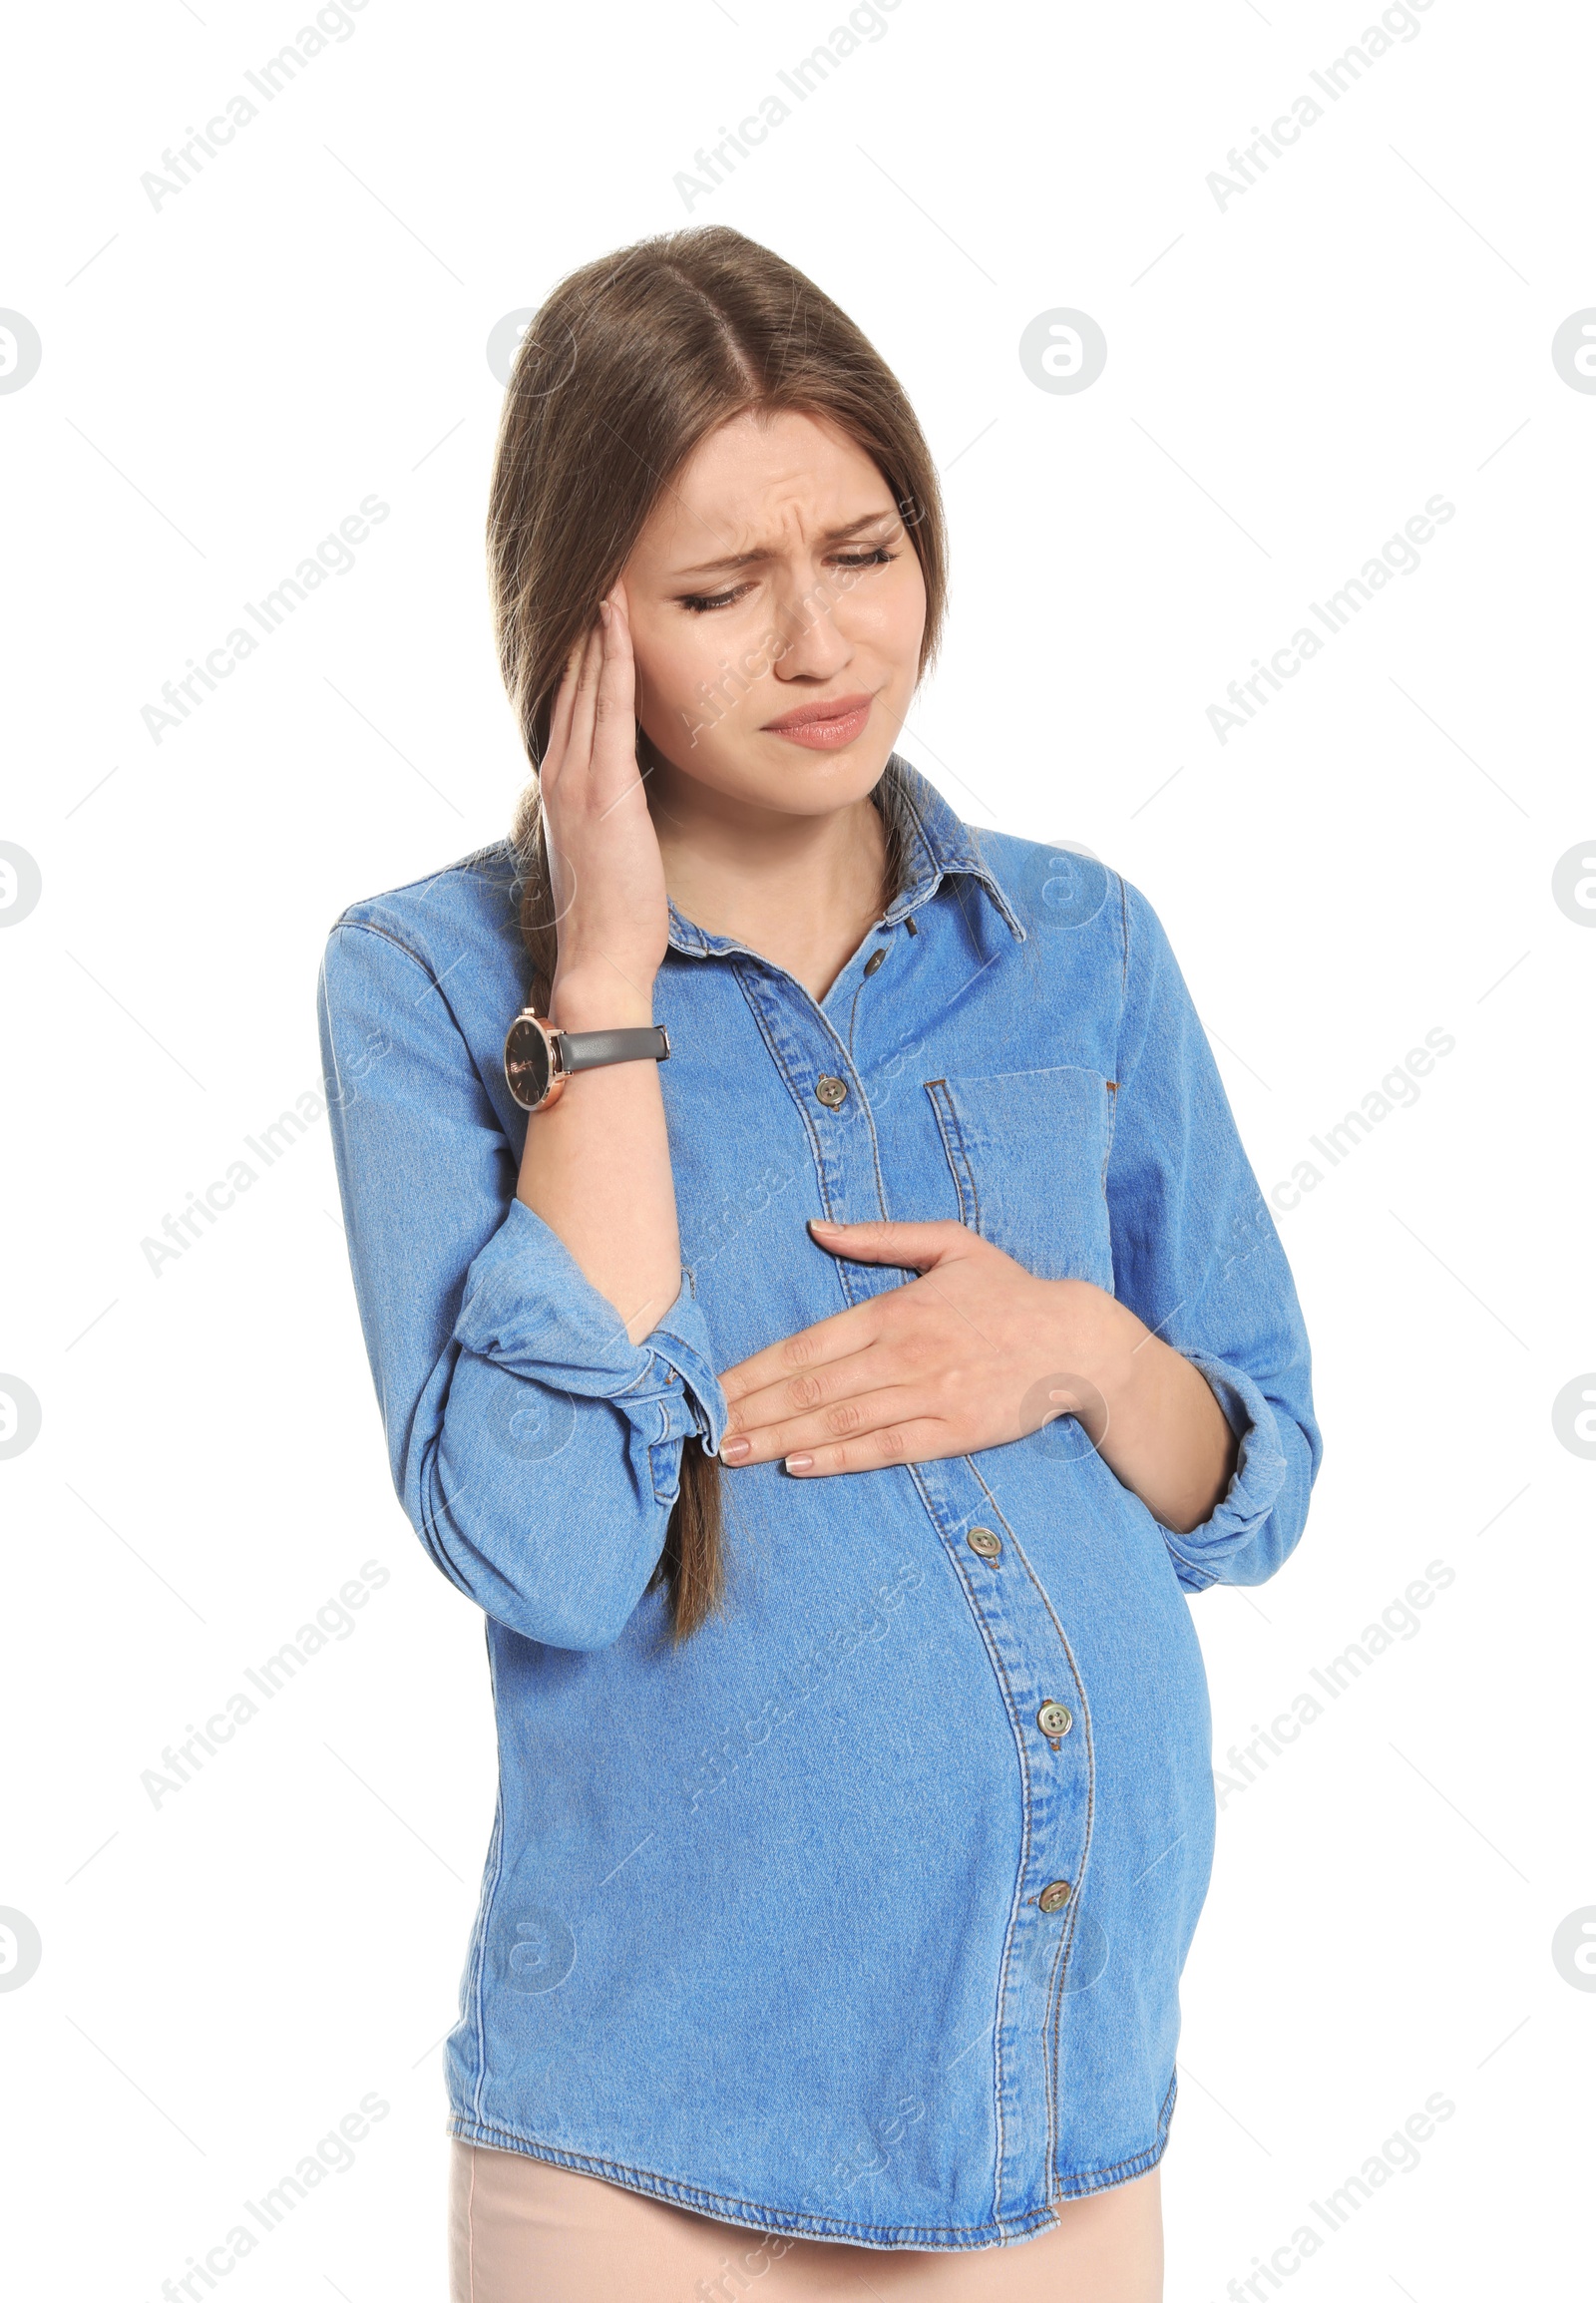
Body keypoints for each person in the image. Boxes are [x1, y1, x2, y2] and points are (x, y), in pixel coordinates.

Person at [317, 223, 1321, 2303]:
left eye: (862, 551)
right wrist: (600, 989)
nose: (817, 643)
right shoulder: (423, 982)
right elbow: (546, 1550)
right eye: (716, 592)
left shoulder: (1080, 945)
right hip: (654, 2166)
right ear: (579, 627)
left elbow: (1261, 1476)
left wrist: (1067, 1348)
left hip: (1060, 2117)